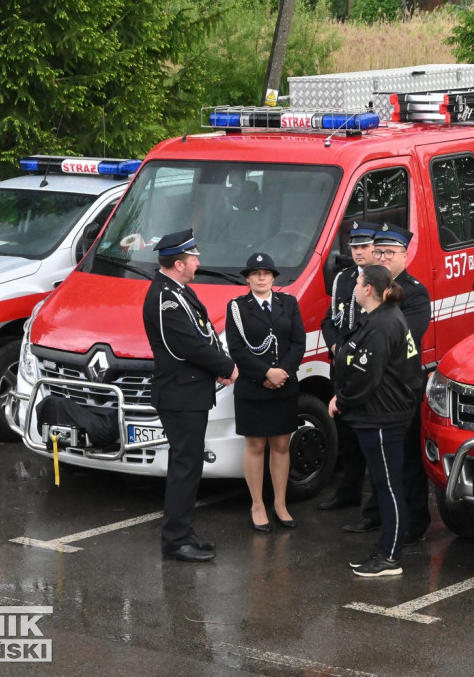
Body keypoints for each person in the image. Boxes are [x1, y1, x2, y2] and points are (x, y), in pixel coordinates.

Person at [142, 229, 238, 563]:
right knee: (184, 466)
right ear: (180, 263)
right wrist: (226, 366)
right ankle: (175, 539)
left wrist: (218, 368)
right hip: (179, 396)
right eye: (193, 257)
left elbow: (206, 333)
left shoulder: (180, 291)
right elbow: (188, 345)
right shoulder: (165, 298)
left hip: (191, 393)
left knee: (191, 464)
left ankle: (184, 530)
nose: (198, 262)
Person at [329, 264, 423, 576]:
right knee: (386, 486)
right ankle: (387, 548)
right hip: (383, 414)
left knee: (388, 487)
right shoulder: (381, 318)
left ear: (368, 288)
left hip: (383, 417)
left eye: (358, 282)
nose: (354, 287)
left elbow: (367, 377)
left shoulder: (383, 324)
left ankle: (389, 556)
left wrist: (341, 400)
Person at [342, 224, 432, 544]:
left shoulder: (415, 291)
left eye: (389, 253)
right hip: (375, 391)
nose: (381, 257)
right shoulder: (369, 287)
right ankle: (377, 514)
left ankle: (415, 521)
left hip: (398, 388)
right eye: (378, 252)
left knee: (406, 460)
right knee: (379, 464)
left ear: (405, 256)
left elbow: (405, 335)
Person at [225, 252, 305, 532]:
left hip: (284, 386)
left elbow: (298, 343)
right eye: (255, 273)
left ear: (273, 277)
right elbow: (236, 348)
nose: (261, 277)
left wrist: (281, 373)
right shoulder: (236, 307)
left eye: (266, 273)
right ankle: (257, 504)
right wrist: (264, 374)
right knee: (256, 446)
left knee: (281, 446)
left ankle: (280, 504)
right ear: (247, 278)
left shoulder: (289, 303)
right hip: (253, 388)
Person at [317, 221, 380, 512]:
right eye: (354, 246)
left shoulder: (382, 279)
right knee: (346, 434)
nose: (358, 252)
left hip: (367, 366)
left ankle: (375, 502)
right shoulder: (343, 279)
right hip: (342, 363)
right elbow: (330, 320)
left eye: (364, 246)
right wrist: (334, 346)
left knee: (370, 435)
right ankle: (348, 492)